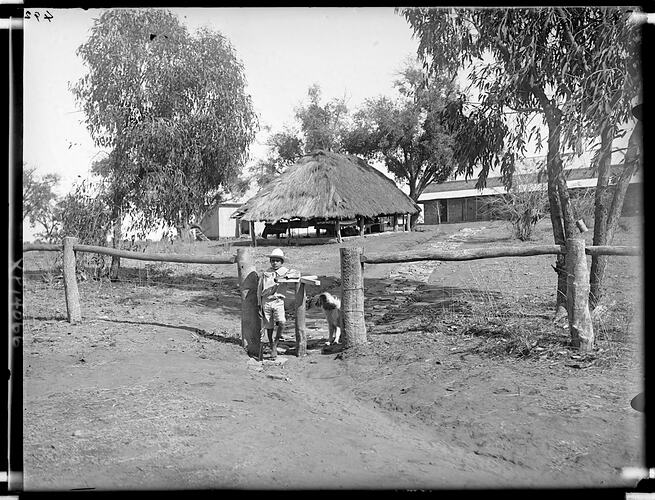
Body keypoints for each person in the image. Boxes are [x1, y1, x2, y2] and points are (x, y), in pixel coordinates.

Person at [257, 248, 291, 360]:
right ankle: (271, 344)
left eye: (277, 260)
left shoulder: (285, 272)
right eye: (273, 260)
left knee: (282, 322)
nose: (275, 263)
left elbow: (295, 276)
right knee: (269, 326)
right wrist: (259, 303)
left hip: (278, 301)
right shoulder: (266, 273)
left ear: (282, 262)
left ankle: (275, 343)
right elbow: (260, 289)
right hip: (266, 301)